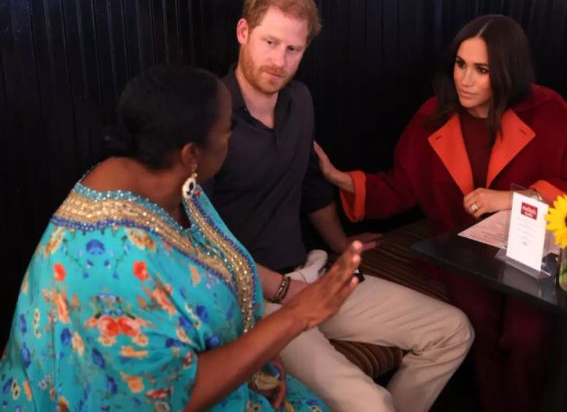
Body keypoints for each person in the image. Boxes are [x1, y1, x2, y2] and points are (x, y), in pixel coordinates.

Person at [0, 65, 364, 412]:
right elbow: (173, 399)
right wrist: (294, 319)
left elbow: (220, 262)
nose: (232, 137)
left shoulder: (171, 183)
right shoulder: (115, 263)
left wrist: (261, 350)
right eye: (227, 130)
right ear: (191, 153)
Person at [315, 15, 567, 412]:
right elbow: (402, 186)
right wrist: (345, 181)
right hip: (461, 253)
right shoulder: (432, 115)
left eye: (481, 69)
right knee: (478, 321)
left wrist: (508, 199)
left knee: (527, 334)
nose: (464, 80)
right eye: (460, 64)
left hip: (534, 254)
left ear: (507, 72)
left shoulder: (552, 112)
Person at [205, 0, 474, 412]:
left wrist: (340, 245)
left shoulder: (301, 100)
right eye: (269, 42)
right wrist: (285, 291)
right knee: (372, 403)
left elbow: (311, 186)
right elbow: (204, 240)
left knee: (453, 331)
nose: (279, 61)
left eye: (293, 49)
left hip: (313, 274)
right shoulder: (211, 115)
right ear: (242, 32)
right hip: (257, 302)